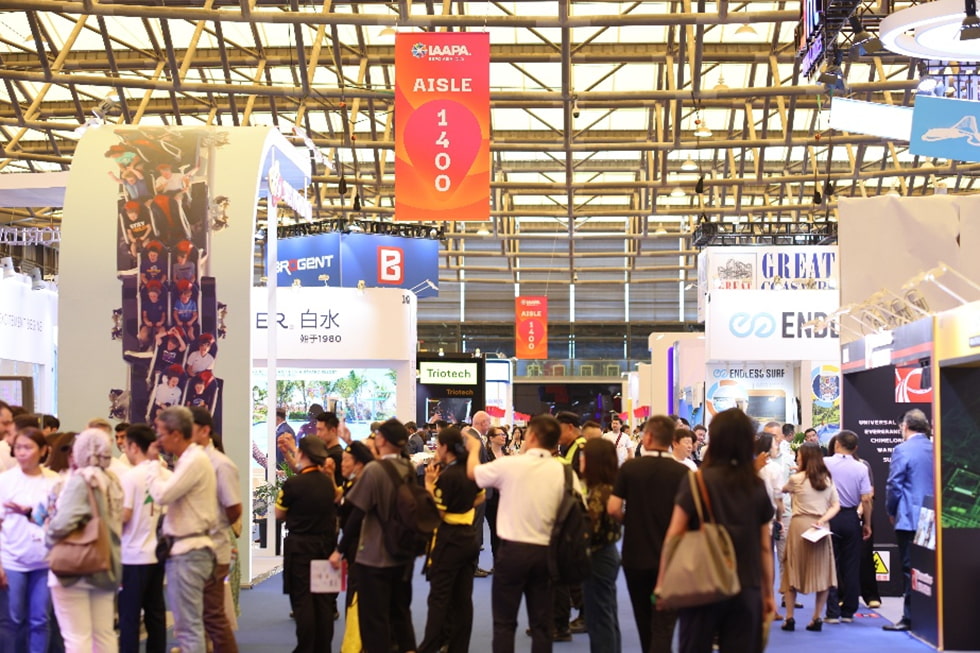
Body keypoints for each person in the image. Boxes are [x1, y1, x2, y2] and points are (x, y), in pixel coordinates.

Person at [656, 408, 775, 653]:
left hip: (702, 583)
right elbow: (765, 546)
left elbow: (674, 535)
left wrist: (662, 583)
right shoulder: (756, 486)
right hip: (746, 585)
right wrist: (767, 593)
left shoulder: (696, 480)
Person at [465, 414, 564, 653]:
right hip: (546, 551)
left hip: (512, 552)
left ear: (531, 436)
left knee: (504, 623)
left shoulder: (510, 464)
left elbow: (473, 474)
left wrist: (474, 447)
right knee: (542, 624)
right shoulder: (561, 470)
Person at [328, 418, 417, 653]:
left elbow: (357, 513)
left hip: (374, 555)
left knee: (373, 619)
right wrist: (350, 441)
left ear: (382, 439)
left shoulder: (374, 471)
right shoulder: (406, 467)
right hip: (402, 552)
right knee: (400, 613)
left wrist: (339, 550)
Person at [607, 415, 688, 653]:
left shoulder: (631, 468)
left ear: (648, 436)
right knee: (665, 621)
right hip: (672, 557)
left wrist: (630, 522)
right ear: (672, 440)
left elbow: (612, 508)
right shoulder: (682, 472)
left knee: (643, 617)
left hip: (636, 554)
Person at [45, 428, 124, 652]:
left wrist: (49, 537)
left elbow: (62, 523)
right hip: (106, 563)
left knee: (76, 637)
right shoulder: (113, 480)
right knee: (104, 634)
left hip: (75, 568)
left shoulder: (82, 480)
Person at [147, 406, 217, 653]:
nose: (158, 439)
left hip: (190, 551)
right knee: (188, 626)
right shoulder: (191, 459)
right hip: (188, 550)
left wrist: (153, 464)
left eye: (161, 433)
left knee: (188, 628)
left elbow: (162, 495)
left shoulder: (194, 459)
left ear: (176, 434)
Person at [418, 426, 483, 653]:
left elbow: (438, 513)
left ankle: (429, 647)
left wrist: (428, 485)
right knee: (463, 599)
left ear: (445, 447)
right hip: (468, 537)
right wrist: (462, 508)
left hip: (449, 540)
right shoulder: (468, 470)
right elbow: (481, 496)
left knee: (439, 598)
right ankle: (458, 647)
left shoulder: (447, 476)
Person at [0, 427, 59, 653]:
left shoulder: (53, 481)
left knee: (40, 620)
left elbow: (58, 521)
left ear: (43, 450)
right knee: (12, 621)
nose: (22, 453)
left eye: (28, 447)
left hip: (44, 562)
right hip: (12, 559)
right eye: (18, 448)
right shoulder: (5, 480)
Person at [276, 435, 337, 653]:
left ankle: (306, 648)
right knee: (324, 602)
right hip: (327, 548)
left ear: (302, 454)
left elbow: (279, 513)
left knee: (303, 602)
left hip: (300, 550)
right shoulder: (330, 485)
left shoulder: (293, 484)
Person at [189, 407, 241, 653]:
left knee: (214, 615)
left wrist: (214, 527)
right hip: (192, 550)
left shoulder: (222, 465)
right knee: (196, 614)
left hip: (213, 548)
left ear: (204, 430)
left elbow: (234, 508)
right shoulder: (189, 461)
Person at [118, 424, 169, 653]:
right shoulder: (166, 474)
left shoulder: (131, 477)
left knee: (129, 616)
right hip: (158, 552)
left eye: (125, 444)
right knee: (155, 613)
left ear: (134, 446)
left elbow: (125, 515)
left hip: (133, 554)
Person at [780, 442, 840, 633]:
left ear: (804, 458)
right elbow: (836, 505)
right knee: (822, 573)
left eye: (799, 455)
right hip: (820, 528)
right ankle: (817, 617)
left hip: (799, 525)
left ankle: (789, 617)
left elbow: (781, 490)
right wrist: (822, 520)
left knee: (793, 570)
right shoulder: (827, 479)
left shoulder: (796, 479)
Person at [883, 409, 934, 632]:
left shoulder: (902, 450)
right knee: (931, 569)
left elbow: (894, 484)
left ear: (905, 426)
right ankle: (931, 615)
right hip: (933, 517)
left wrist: (891, 510)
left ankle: (910, 617)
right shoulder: (936, 447)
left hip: (909, 518)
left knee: (909, 568)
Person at [823, 430, 872, 624]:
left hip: (830, 517)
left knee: (830, 564)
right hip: (852, 517)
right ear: (856, 448)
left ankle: (832, 611)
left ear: (836, 444)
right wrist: (867, 523)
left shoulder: (825, 463)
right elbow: (866, 499)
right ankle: (849, 612)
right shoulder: (861, 467)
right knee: (852, 565)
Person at [580, 438, 622, 653]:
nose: (581, 460)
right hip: (606, 554)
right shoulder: (607, 487)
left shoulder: (598, 492)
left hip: (598, 556)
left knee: (599, 619)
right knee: (606, 614)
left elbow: (590, 531)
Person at [484, 425, 510, 561]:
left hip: (507, 499)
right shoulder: (486, 455)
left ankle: (504, 560)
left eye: (504, 435)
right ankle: (497, 560)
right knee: (495, 531)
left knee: (506, 532)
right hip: (492, 499)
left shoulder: (507, 454)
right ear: (491, 438)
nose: (503, 437)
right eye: (500, 435)